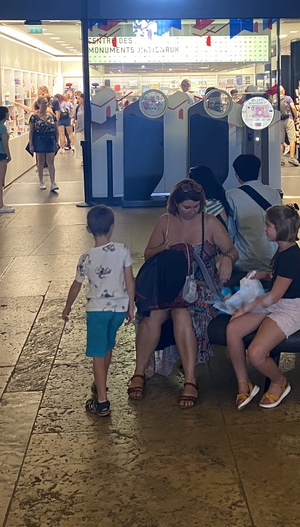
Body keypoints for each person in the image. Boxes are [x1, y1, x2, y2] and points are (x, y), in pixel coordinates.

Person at [131, 179, 239, 408]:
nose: (191, 212)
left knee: (181, 312)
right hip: (170, 285)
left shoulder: (209, 223)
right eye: (186, 207)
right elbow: (148, 254)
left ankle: (190, 379)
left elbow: (232, 250)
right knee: (154, 315)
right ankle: (139, 372)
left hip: (202, 286)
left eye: (196, 207)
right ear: (176, 205)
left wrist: (227, 258)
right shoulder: (166, 222)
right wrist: (165, 247)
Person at [227, 205, 300, 410]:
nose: (264, 229)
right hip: (277, 303)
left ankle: (279, 381)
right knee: (233, 330)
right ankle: (243, 382)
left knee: (256, 353)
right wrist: (262, 274)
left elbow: (274, 295)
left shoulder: (291, 257)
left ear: (280, 228)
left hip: (291, 308)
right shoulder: (282, 250)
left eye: (268, 225)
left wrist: (245, 308)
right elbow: (277, 278)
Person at [60, 206, 135, 417]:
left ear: (87, 229)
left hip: (96, 311)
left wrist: (67, 307)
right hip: (118, 310)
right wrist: (131, 305)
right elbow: (130, 279)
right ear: (112, 227)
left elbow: (76, 285)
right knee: (107, 346)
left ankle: (102, 402)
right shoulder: (122, 250)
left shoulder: (86, 258)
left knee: (97, 355)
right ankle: (100, 382)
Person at [225, 154, 283, 275]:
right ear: (258, 172)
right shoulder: (274, 194)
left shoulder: (231, 196)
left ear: (237, 176)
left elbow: (230, 232)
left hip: (244, 261)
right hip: (271, 260)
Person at [28, 97, 59, 193]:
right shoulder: (34, 116)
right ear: (38, 104)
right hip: (39, 139)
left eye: (46, 103)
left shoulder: (51, 115)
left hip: (50, 139)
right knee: (40, 161)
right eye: (43, 103)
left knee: (51, 161)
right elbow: (31, 131)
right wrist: (31, 144)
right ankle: (41, 181)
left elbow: (56, 128)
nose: (45, 105)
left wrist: (57, 141)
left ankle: (53, 182)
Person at [277, 85, 299, 166]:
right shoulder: (288, 98)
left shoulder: (275, 99)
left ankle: (280, 159)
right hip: (289, 119)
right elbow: (293, 108)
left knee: (280, 141)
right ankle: (292, 158)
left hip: (279, 120)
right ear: (283, 91)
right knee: (292, 139)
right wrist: (296, 116)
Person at [73, 90, 87, 162]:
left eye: (79, 99)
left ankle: (86, 157)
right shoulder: (78, 107)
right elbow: (74, 117)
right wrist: (72, 122)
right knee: (79, 144)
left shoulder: (89, 107)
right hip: (79, 128)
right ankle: (82, 158)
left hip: (87, 129)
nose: (78, 101)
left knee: (86, 143)